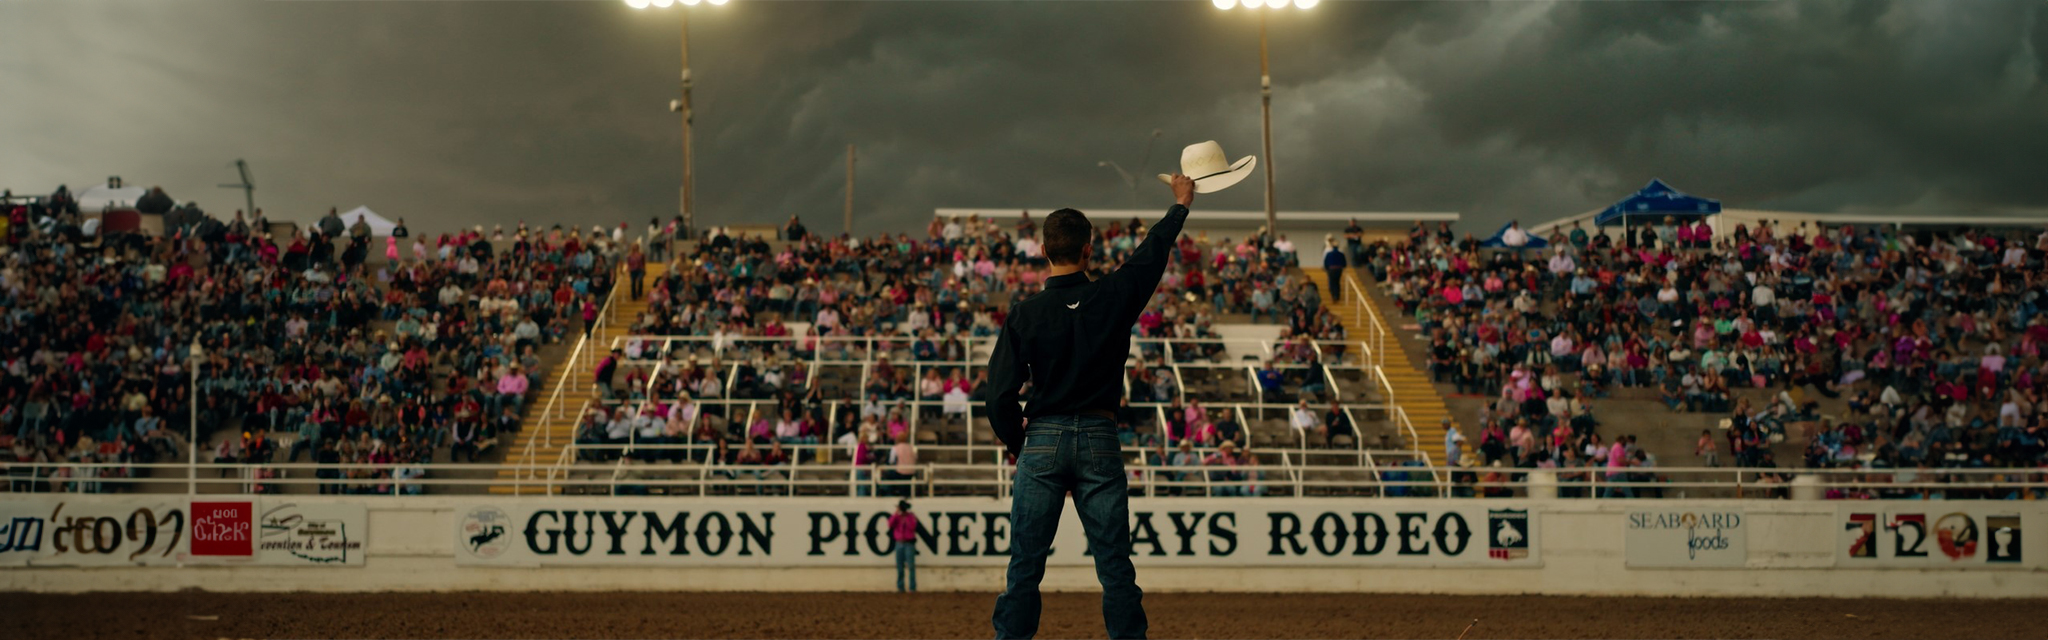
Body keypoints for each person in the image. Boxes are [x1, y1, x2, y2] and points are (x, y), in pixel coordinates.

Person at [984, 174, 1198, 639]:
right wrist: (1181, 204)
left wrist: (1019, 443)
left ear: (1045, 251)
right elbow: (1152, 251)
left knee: (1025, 565)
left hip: (1041, 439)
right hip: (1100, 438)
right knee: (1115, 566)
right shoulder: (1113, 296)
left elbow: (999, 395)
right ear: (1088, 251)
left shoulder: (1024, 313)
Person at [889, 500, 919, 593]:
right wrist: (896, 514)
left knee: (910, 566)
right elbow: (890, 524)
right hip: (900, 542)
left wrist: (905, 517)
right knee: (900, 566)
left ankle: (912, 587)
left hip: (908, 543)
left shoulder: (910, 517)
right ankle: (901, 587)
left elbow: (912, 527)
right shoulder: (897, 517)